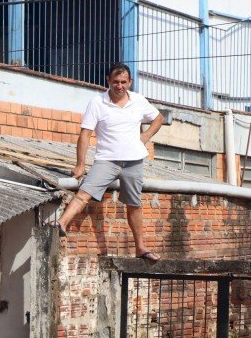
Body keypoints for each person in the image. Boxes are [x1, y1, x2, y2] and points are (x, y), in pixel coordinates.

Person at [50, 63, 165, 261]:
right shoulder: (97, 102)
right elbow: (85, 134)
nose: (119, 86)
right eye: (115, 82)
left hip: (133, 161)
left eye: (123, 82)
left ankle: (140, 248)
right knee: (84, 191)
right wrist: (80, 165)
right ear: (108, 81)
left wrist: (145, 136)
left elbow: (159, 118)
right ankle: (61, 223)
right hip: (106, 160)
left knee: (134, 203)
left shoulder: (138, 100)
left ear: (130, 82)